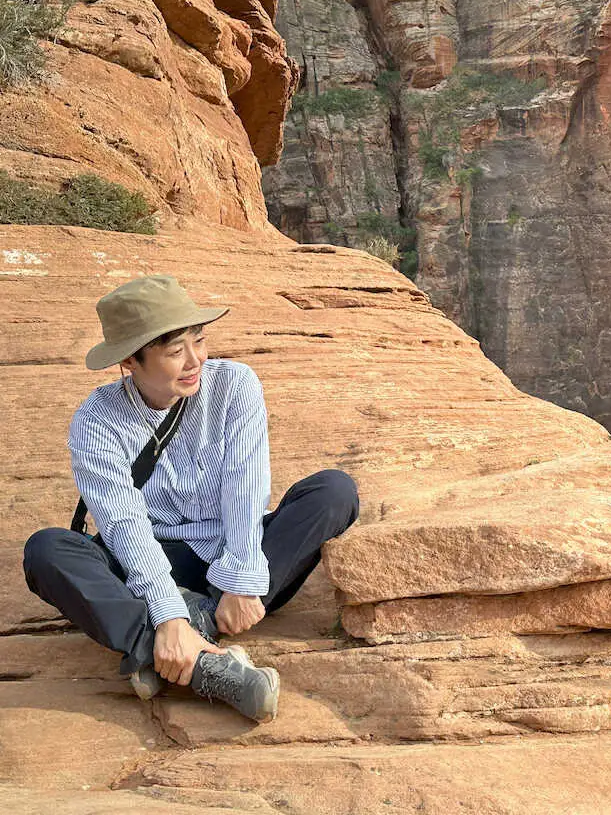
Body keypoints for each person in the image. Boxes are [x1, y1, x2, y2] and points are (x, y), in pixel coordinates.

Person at [22, 275, 359, 722]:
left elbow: (245, 487)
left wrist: (241, 580)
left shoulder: (234, 385)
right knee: (46, 551)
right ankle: (202, 665)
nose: (194, 359)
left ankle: (171, 644)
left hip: (236, 560)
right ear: (130, 359)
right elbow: (124, 525)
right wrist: (167, 614)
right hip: (152, 558)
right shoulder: (97, 421)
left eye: (198, 341)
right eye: (174, 351)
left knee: (334, 491)